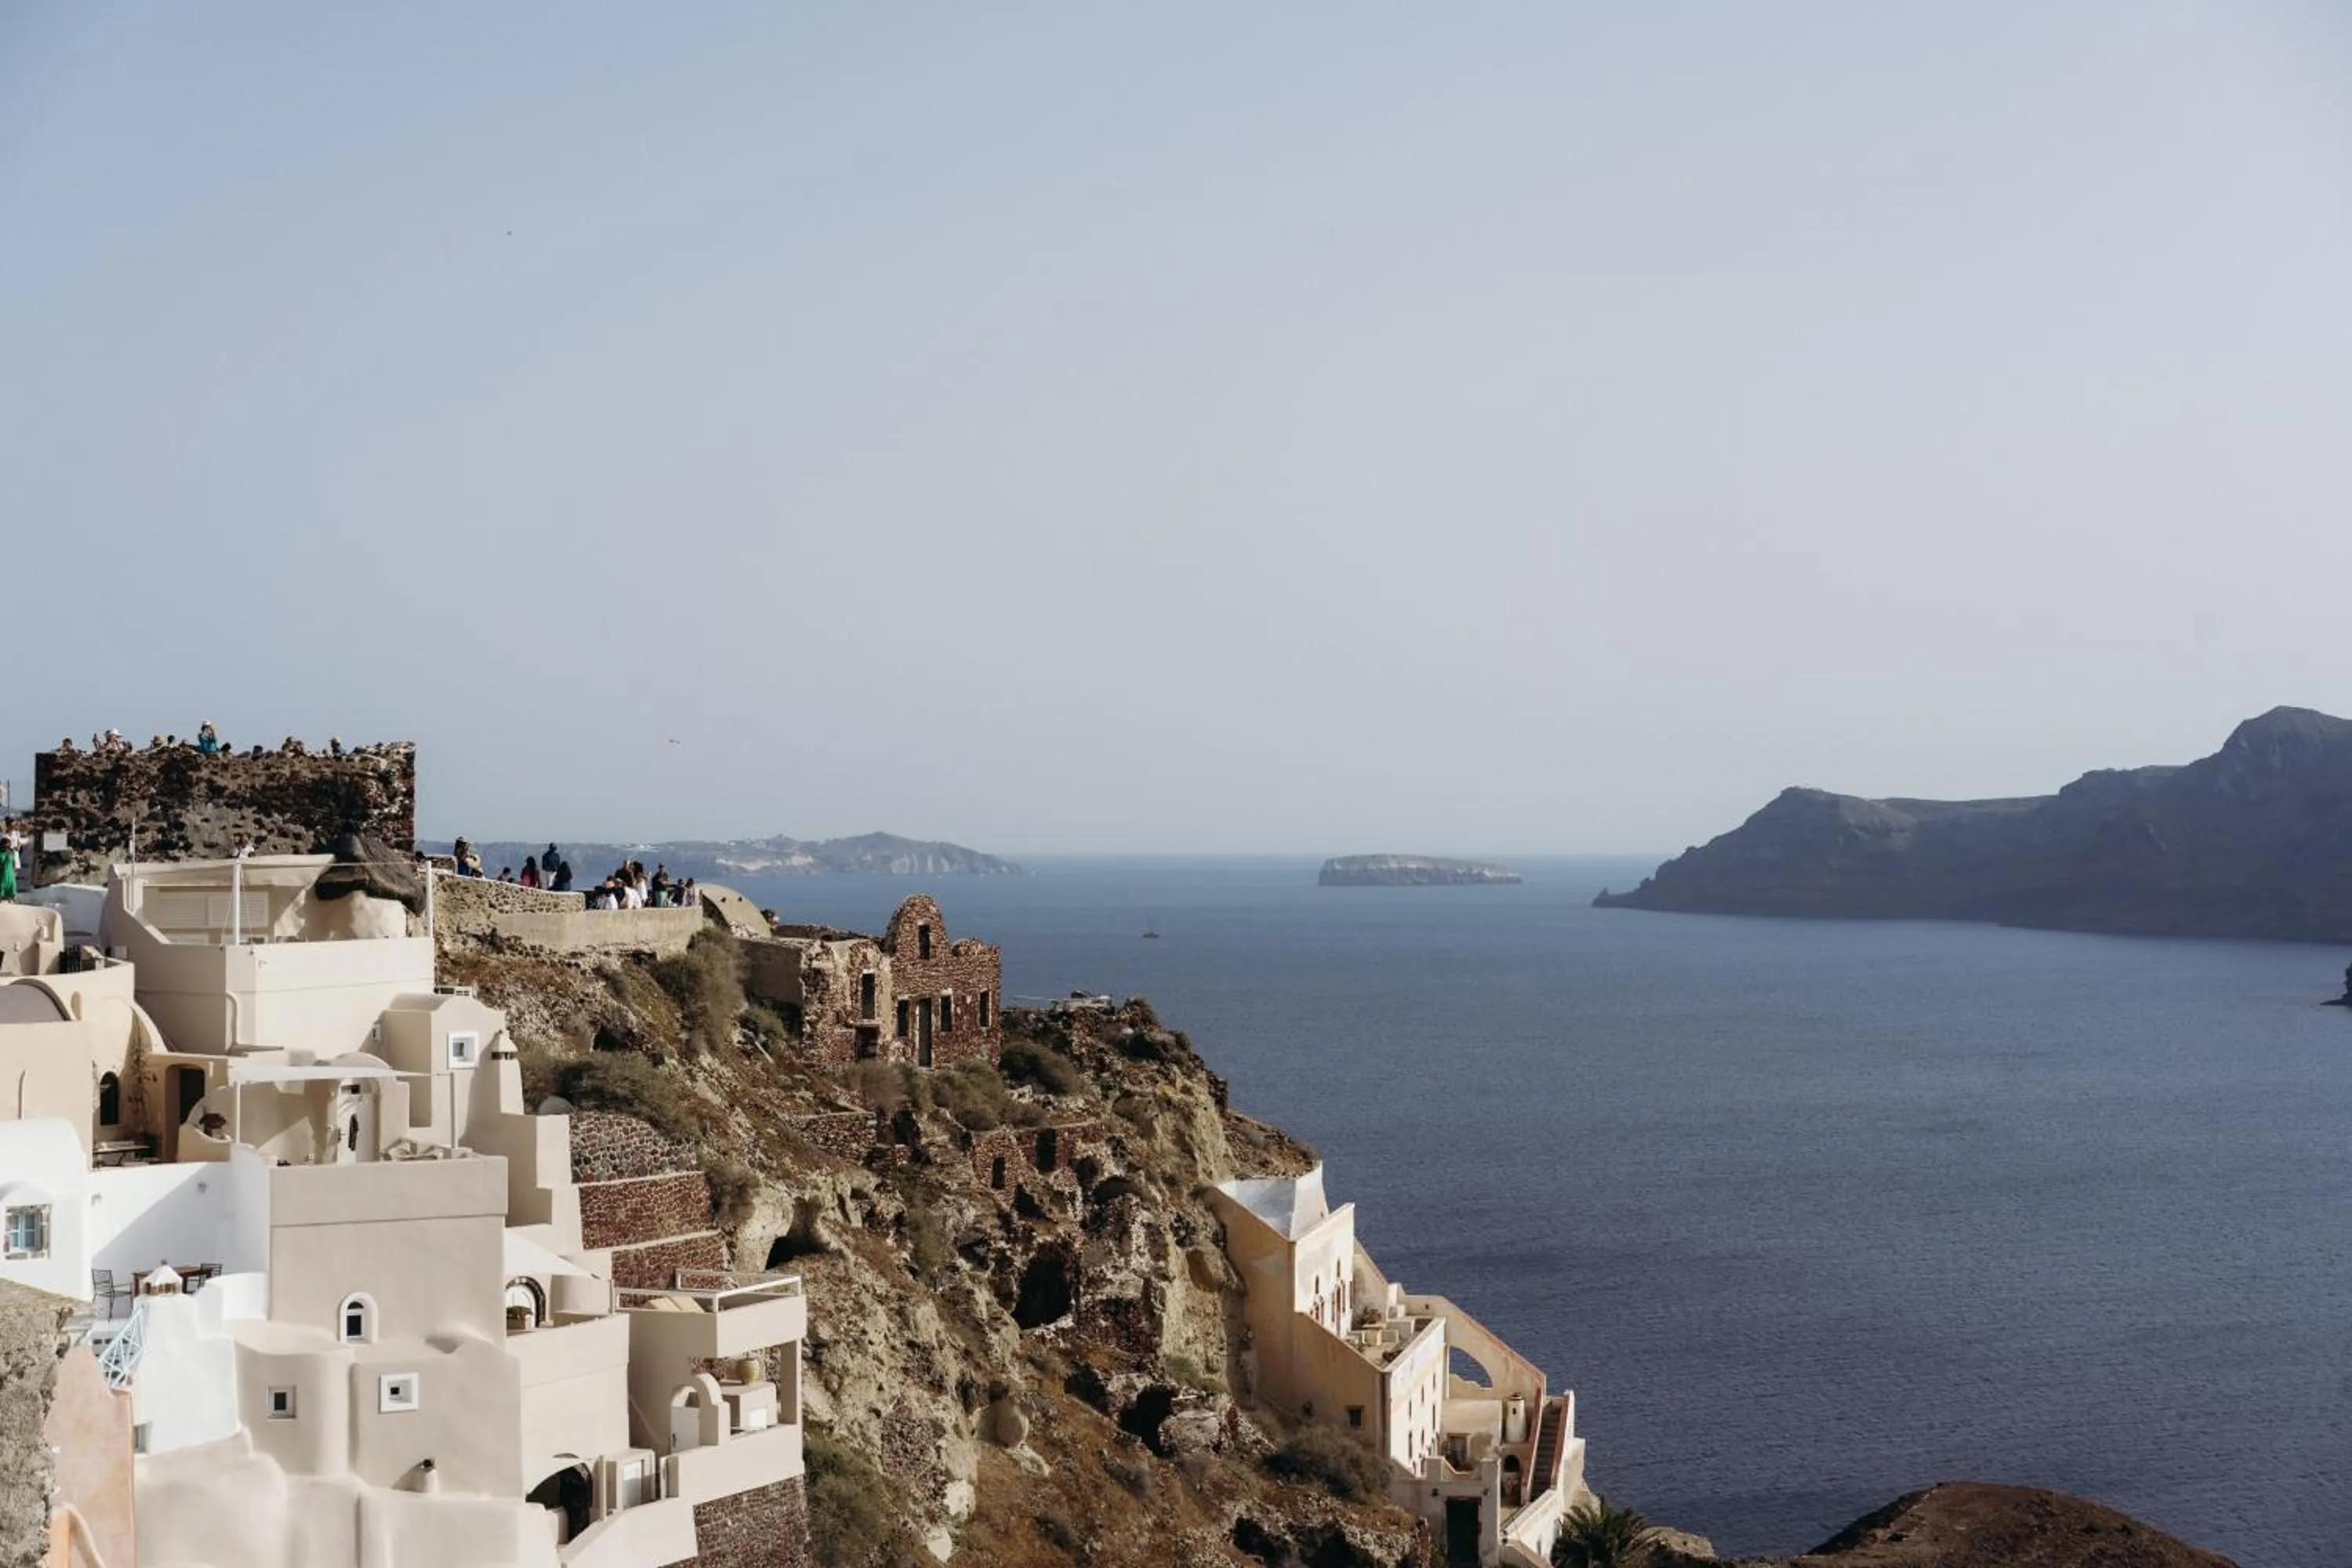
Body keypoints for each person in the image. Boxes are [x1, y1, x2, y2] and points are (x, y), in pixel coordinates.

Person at [0, 819, 21, 903]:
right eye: (12, 824)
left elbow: (19, 843)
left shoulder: (16, 834)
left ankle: (10, 898)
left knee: (12, 879)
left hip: (12, 855)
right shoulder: (3, 835)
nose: (14, 826)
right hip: (3, 858)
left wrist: (16, 848)